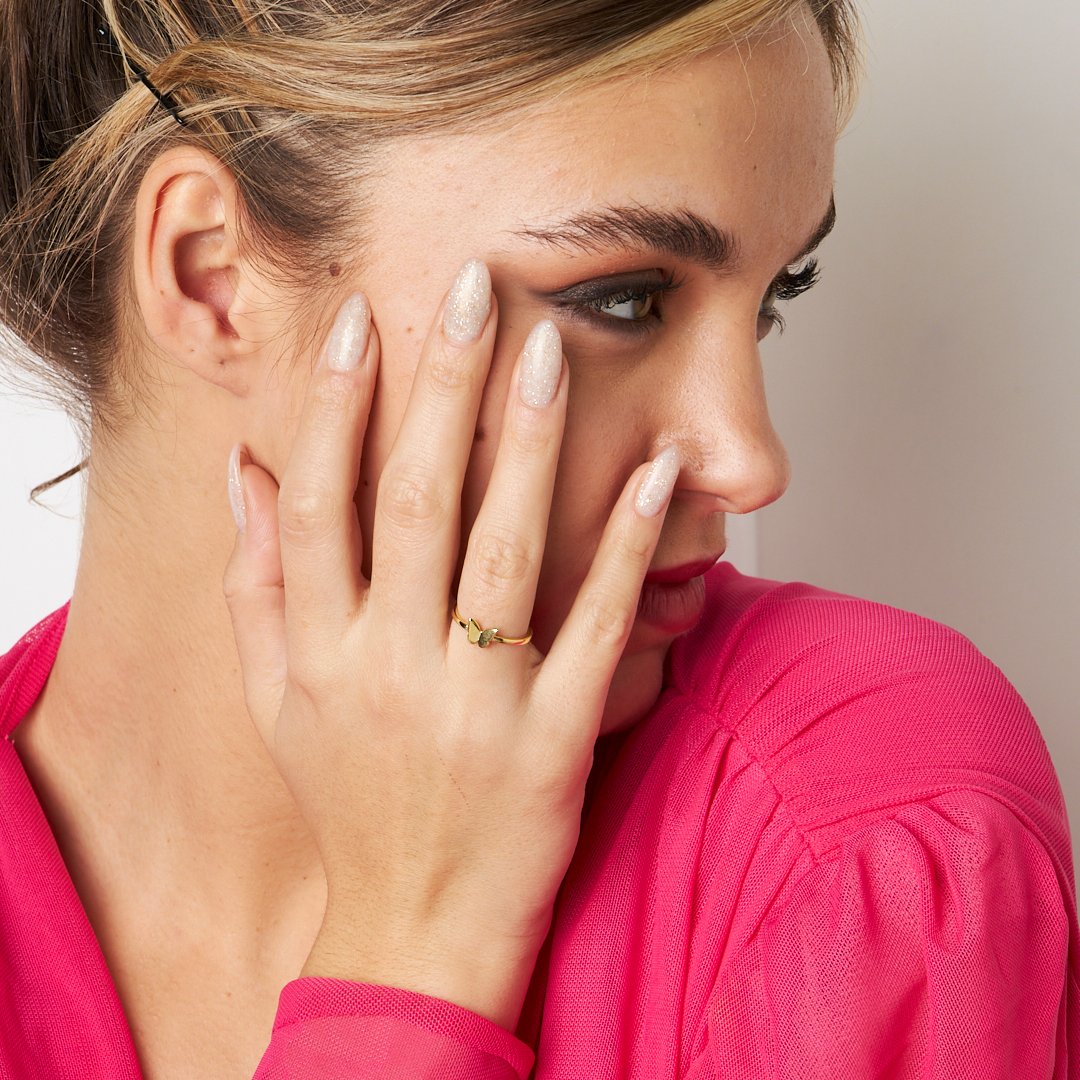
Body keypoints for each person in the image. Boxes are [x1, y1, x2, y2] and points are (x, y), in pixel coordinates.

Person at [0, 1, 1076, 1077]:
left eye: (770, 300)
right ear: (208, 275)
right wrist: (407, 954)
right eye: (623, 300)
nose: (750, 462)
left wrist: (400, 982)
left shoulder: (860, 844)